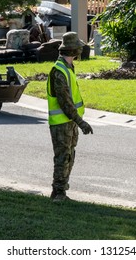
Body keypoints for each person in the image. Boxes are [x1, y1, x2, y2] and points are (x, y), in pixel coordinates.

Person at [47, 32, 93, 202]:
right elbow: (65, 103)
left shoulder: (67, 68)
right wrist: (81, 122)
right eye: (78, 47)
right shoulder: (59, 71)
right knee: (62, 158)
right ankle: (58, 193)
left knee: (69, 156)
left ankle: (61, 189)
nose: (81, 50)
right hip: (62, 123)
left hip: (69, 122)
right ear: (72, 50)